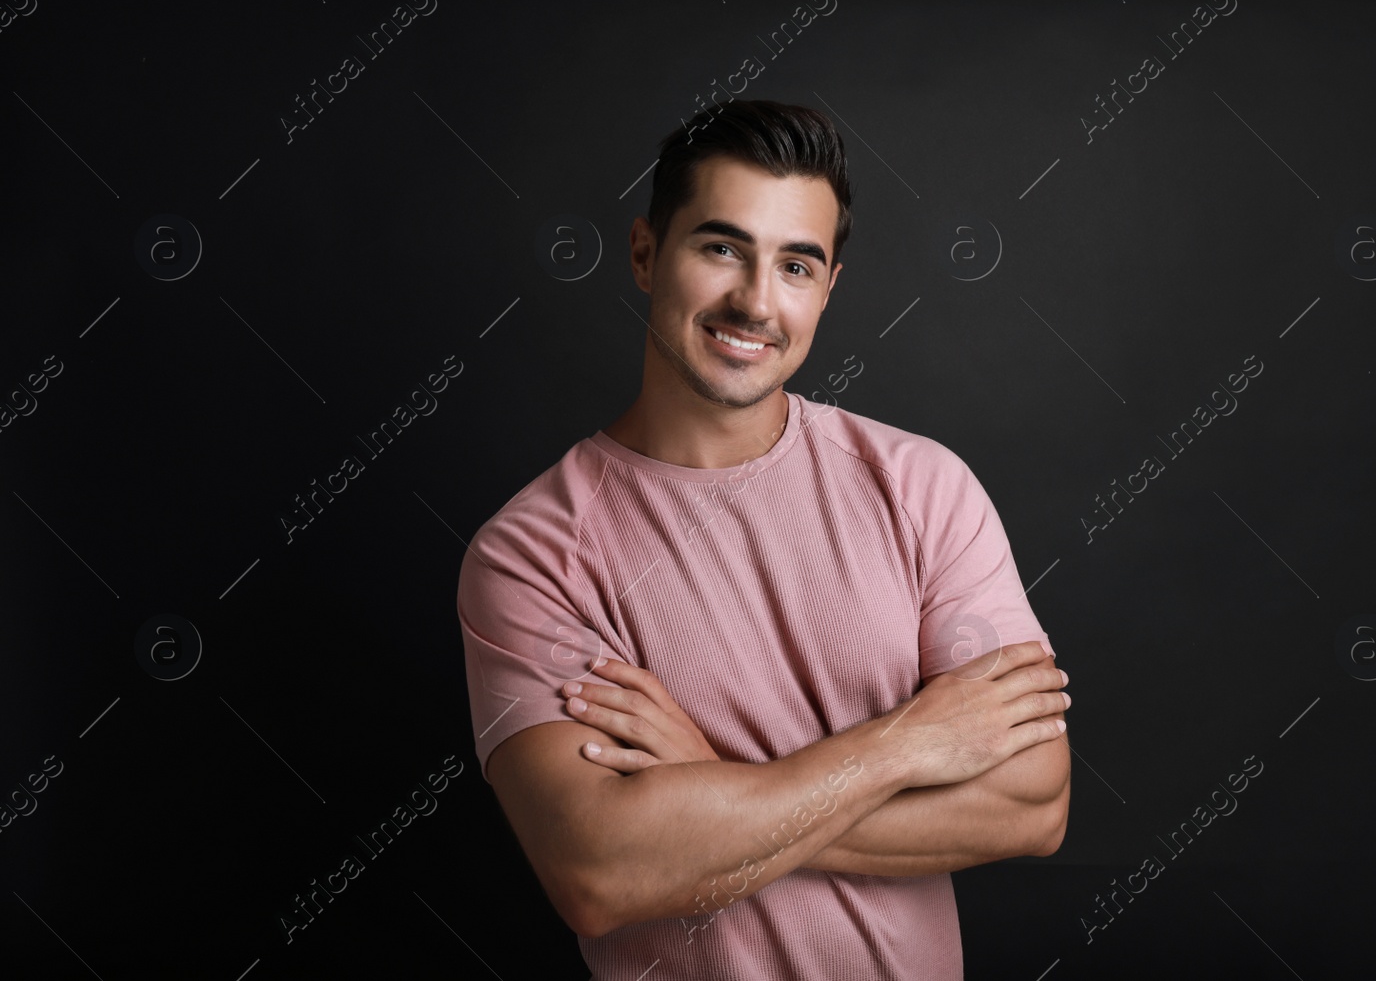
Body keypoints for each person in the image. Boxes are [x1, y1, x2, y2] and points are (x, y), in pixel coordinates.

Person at [457, 99, 1071, 979]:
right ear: (643, 254)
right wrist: (908, 743)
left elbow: (1033, 802)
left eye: (795, 264)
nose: (755, 300)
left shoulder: (923, 487)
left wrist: (710, 776)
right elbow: (600, 870)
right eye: (720, 248)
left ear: (829, 288)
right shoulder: (533, 555)